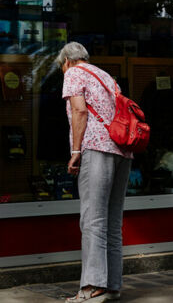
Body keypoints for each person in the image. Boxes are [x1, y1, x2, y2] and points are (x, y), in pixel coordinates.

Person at [56, 42, 132, 303]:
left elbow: (79, 110)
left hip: (96, 148)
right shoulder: (106, 75)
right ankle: (111, 286)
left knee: (93, 220)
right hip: (122, 151)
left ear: (67, 60)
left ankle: (91, 287)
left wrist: (75, 151)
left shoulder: (73, 74)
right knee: (112, 221)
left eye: (60, 66)